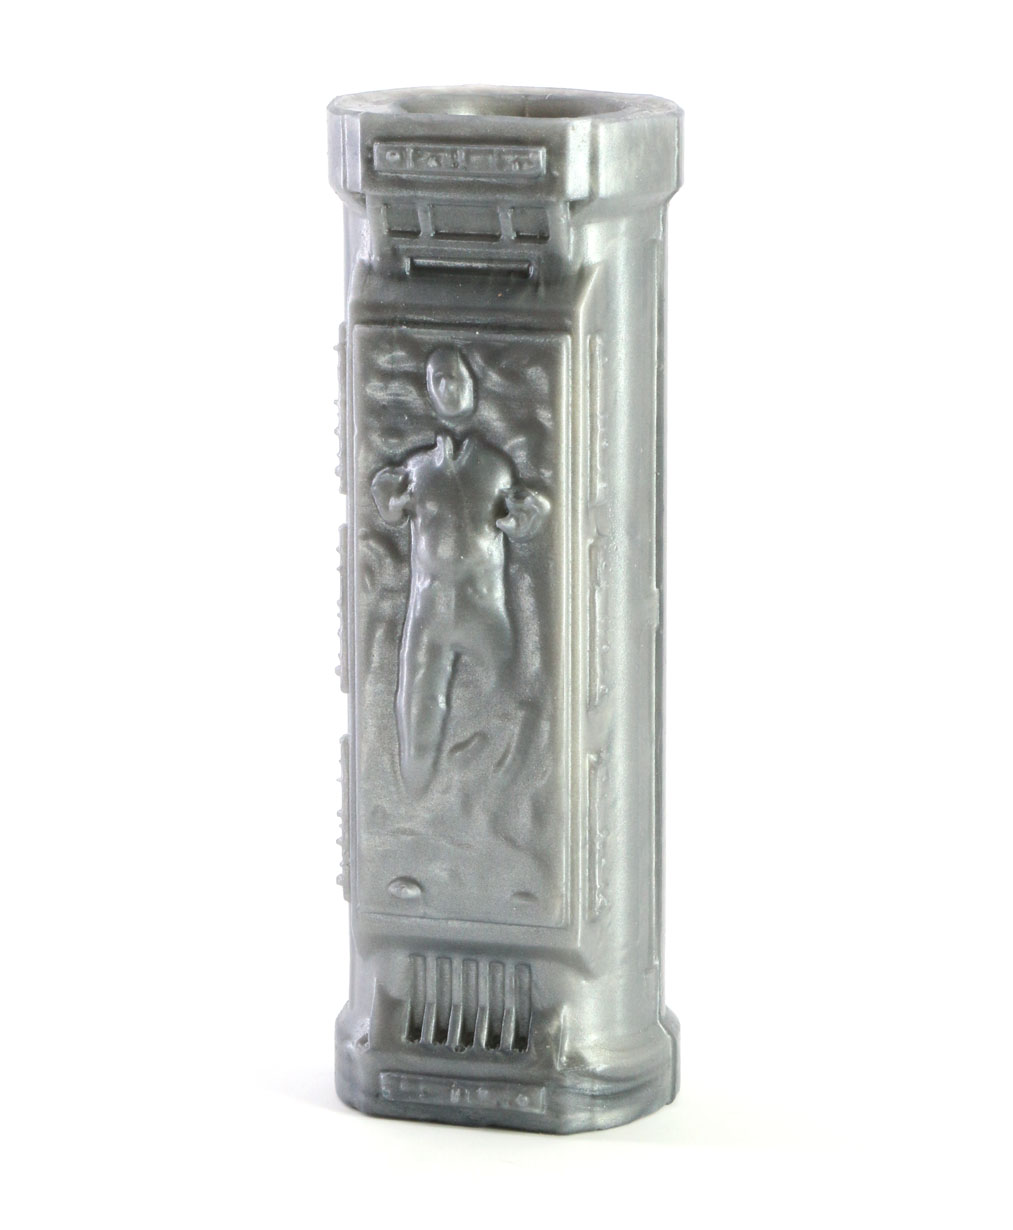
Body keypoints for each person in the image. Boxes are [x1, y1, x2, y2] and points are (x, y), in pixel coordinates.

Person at [371, 346, 549, 796]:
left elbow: (528, 516)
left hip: (483, 609)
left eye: (456, 377)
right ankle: (413, 802)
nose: (448, 386)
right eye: (439, 379)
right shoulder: (417, 470)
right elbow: (388, 509)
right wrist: (385, 500)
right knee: (415, 713)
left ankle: (507, 800)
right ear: (430, 390)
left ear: (471, 383)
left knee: (516, 703)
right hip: (429, 611)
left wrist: (529, 519)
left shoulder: (496, 468)